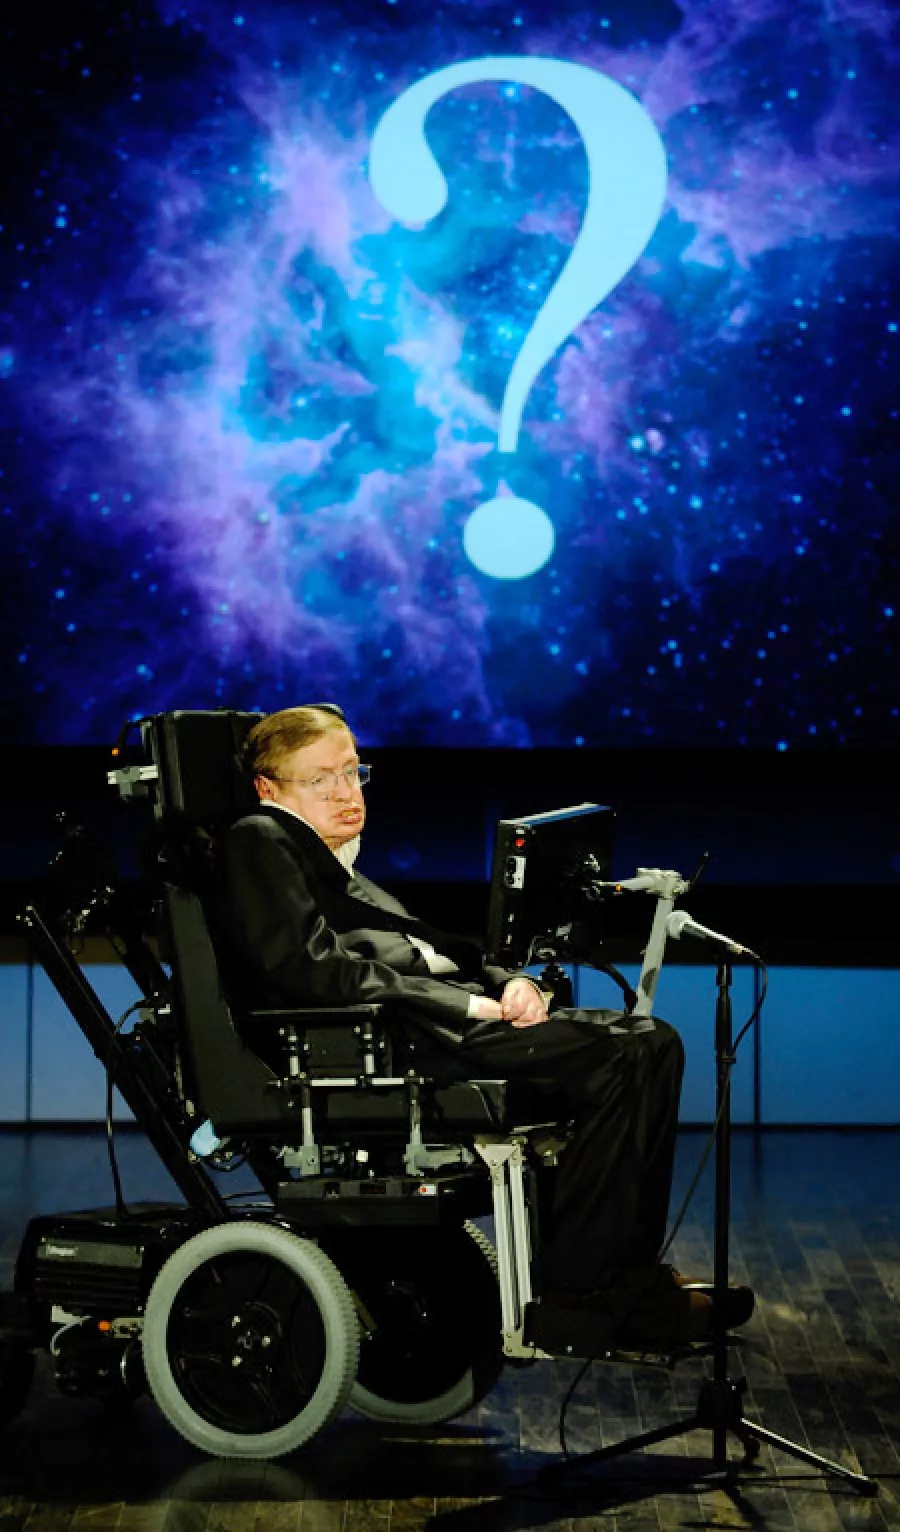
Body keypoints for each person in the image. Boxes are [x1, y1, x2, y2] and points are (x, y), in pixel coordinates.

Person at [216, 704, 753, 1346]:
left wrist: (510, 982)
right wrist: (467, 1005)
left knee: (644, 1044)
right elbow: (309, 970)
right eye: (319, 779)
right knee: (635, 1050)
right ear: (268, 789)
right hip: (397, 1039)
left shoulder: (333, 866)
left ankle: (623, 1281)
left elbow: (438, 947)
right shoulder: (261, 837)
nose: (344, 792)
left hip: (437, 1023)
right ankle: (587, 1294)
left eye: (352, 772)